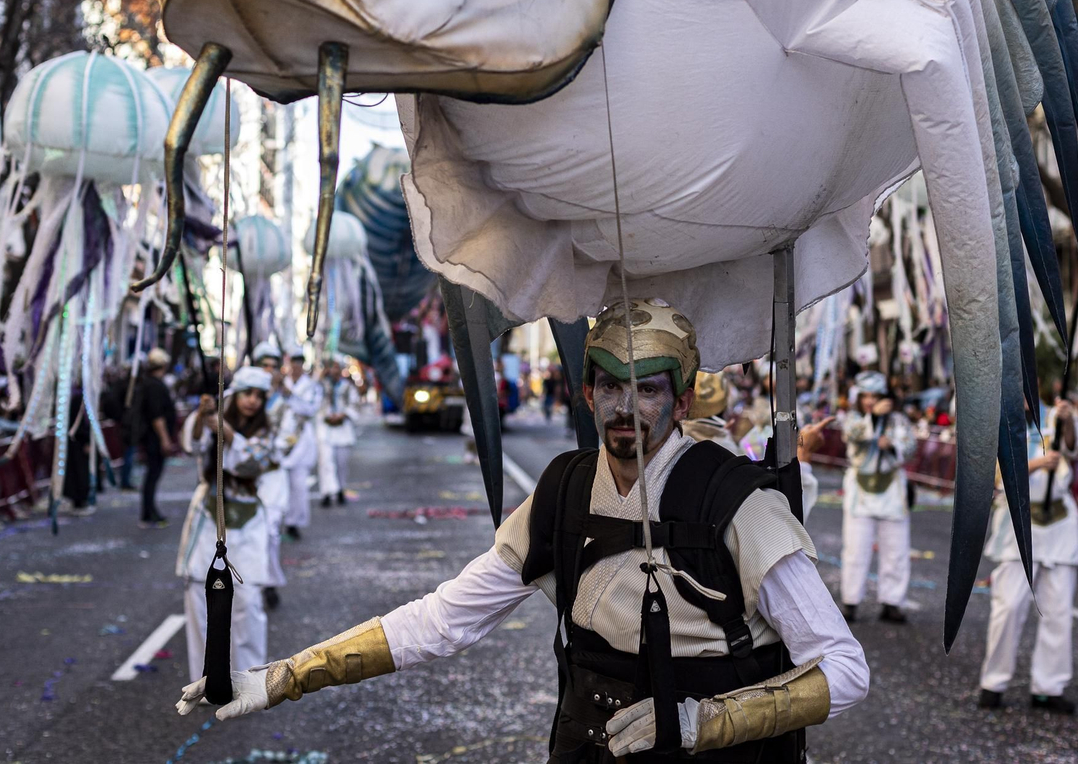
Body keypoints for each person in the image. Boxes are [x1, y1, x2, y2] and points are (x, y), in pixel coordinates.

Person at [178, 298, 868, 761]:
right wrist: (287, 676)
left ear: (683, 400)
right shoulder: (563, 491)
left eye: (648, 388)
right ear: (586, 392)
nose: (625, 407)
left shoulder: (738, 502)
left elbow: (844, 669)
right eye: (609, 385)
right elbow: (444, 620)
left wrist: (703, 723)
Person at [978, 398, 1078, 715]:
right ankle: (994, 682)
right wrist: (1037, 464)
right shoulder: (997, 418)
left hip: (1060, 526)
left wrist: (1067, 421)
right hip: (1017, 524)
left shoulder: (1054, 415)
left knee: (1058, 611)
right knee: (1009, 607)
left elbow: (1073, 448)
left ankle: (1048, 687)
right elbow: (994, 474)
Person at [177, 367, 282, 680]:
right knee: (200, 602)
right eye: (247, 393)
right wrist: (202, 417)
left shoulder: (267, 430)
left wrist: (226, 430)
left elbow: (254, 463)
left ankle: (250, 681)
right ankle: (204, 683)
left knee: (248, 605)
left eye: (259, 396)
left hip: (248, 525)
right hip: (208, 519)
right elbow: (192, 445)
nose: (252, 400)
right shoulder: (213, 421)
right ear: (234, 395)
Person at [839, 377, 914, 625]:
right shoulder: (853, 418)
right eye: (866, 396)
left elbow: (910, 447)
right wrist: (872, 419)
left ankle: (892, 602)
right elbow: (851, 435)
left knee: (896, 550)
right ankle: (850, 600)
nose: (870, 401)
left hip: (892, 488)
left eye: (875, 396)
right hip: (860, 491)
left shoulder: (898, 420)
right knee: (855, 549)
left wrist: (891, 445)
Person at [251, 340, 293, 610]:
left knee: (270, 533)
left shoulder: (286, 402)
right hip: (243, 479)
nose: (268, 371)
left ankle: (268, 583)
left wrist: (265, 450)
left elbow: (290, 437)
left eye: (273, 366)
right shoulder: (239, 397)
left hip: (273, 478)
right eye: (263, 365)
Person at [279, 350, 319, 541]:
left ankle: (294, 522)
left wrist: (291, 397)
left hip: (301, 441)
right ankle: (276, 522)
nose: (295, 366)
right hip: (279, 440)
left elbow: (310, 409)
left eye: (299, 362)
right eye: (293, 362)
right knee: (278, 486)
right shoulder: (280, 383)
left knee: (299, 486)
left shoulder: (311, 386)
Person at [135, 348, 178, 529]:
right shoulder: (154, 386)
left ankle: (149, 510)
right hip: (154, 439)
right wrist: (164, 439)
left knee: (153, 475)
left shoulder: (150, 384)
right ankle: (148, 512)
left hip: (152, 437)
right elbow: (157, 416)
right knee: (153, 474)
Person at [318, 361, 359, 507]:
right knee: (325, 463)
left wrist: (343, 415)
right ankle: (326, 493)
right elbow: (313, 402)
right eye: (331, 367)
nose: (334, 371)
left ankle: (341, 490)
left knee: (341, 464)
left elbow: (354, 406)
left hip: (342, 431)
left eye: (336, 368)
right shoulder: (321, 385)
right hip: (326, 430)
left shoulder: (347, 387)